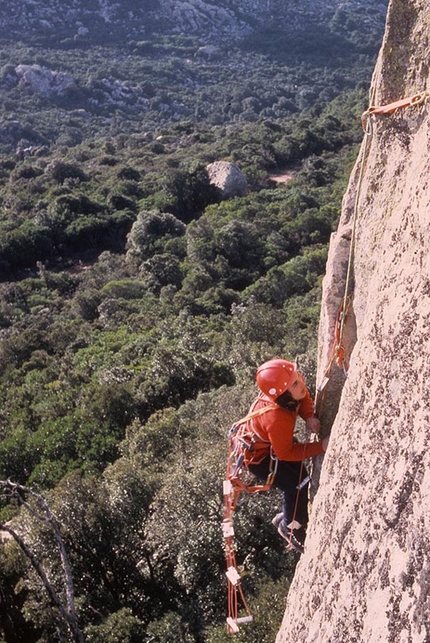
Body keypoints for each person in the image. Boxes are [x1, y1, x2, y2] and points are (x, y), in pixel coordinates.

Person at [242, 358, 329, 554]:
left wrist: (309, 416)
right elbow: (287, 453)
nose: (301, 382)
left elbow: (303, 396)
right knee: (295, 484)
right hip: (259, 458)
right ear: (282, 396)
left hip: (269, 447)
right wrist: (321, 446)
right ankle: (289, 527)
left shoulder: (290, 392)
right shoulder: (276, 417)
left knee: (302, 476)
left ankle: (287, 517)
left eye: (297, 377)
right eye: (295, 383)